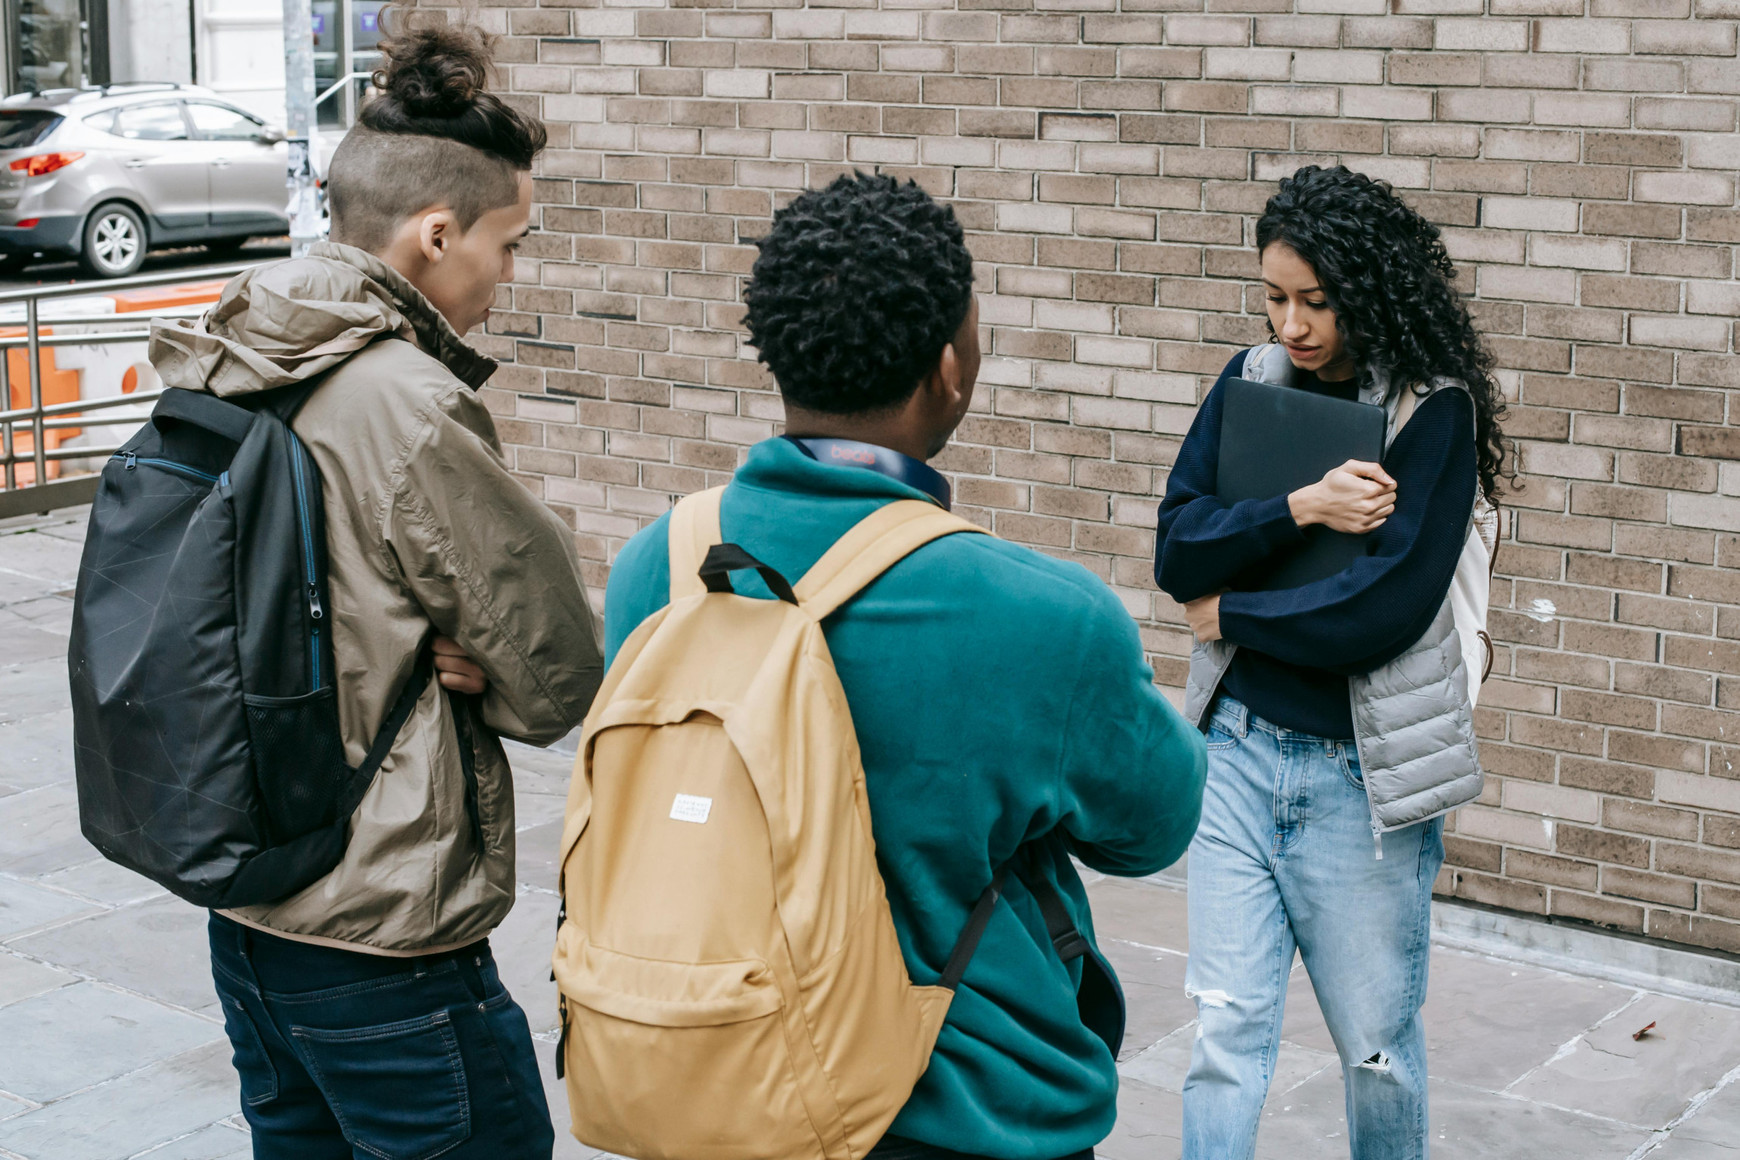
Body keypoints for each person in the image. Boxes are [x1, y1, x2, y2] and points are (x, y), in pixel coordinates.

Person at [600, 172, 1206, 1160]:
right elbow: (1153, 826)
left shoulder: (658, 563)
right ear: (949, 367)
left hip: (719, 1088)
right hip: (968, 1112)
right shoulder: (1048, 616)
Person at [148, 24, 603, 1160]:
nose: (509, 273)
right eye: (509, 243)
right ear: (436, 232)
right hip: (384, 943)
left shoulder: (229, 345)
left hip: (246, 911)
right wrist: (481, 661)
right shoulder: (403, 398)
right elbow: (557, 670)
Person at [1153, 165, 1508, 1160]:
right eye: (1274, 297)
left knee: (1376, 1049)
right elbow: (1176, 546)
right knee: (1223, 1031)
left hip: (1363, 777)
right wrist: (1300, 507)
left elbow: (1380, 609)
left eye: (1317, 299)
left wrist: (1231, 611)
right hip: (1235, 754)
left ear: (1373, 288)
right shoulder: (1250, 381)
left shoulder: (1431, 412)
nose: (1292, 324)